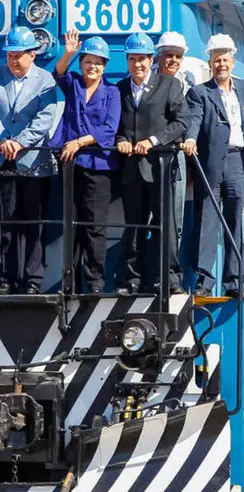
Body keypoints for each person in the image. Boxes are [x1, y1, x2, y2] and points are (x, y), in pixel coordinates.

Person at [183, 34, 244, 298]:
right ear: (210, 62)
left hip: (237, 162)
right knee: (207, 222)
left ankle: (234, 281)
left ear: (233, 62)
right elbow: (194, 120)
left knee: (235, 224)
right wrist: (190, 138)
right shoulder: (199, 93)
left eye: (225, 60)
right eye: (217, 60)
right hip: (210, 163)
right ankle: (204, 280)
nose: (221, 64)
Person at [114, 32, 189, 295]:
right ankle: (131, 280)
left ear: (150, 60)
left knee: (165, 226)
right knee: (133, 226)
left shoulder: (169, 85)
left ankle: (168, 279)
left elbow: (182, 122)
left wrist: (153, 140)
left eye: (142, 59)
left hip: (160, 167)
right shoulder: (120, 89)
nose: (137, 65)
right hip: (131, 170)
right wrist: (122, 139)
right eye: (132, 59)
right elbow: (116, 126)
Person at [50, 30, 121, 294]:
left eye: (98, 62)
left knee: (95, 227)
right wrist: (68, 52)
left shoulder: (112, 93)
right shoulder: (74, 85)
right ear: (81, 64)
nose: (92, 66)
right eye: (88, 61)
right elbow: (58, 73)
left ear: (104, 68)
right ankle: (70, 283)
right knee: (72, 225)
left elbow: (109, 129)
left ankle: (95, 283)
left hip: (99, 167)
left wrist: (79, 142)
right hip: (71, 166)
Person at [0, 26, 57, 295]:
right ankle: (7, 279)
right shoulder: (0, 76)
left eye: (18, 55)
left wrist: (20, 141)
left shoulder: (46, 81)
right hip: (5, 161)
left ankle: (34, 281)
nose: (13, 60)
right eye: (10, 55)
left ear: (32, 55)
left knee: (35, 223)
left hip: (34, 161)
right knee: (8, 222)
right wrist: (4, 141)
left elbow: (44, 120)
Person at [154, 32, 195, 247]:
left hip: (176, 154)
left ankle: (168, 273)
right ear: (158, 56)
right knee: (148, 218)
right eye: (168, 55)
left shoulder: (188, 83)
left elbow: (190, 119)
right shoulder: (148, 81)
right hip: (150, 154)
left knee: (174, 217)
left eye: (177, 56)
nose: (173, 60)